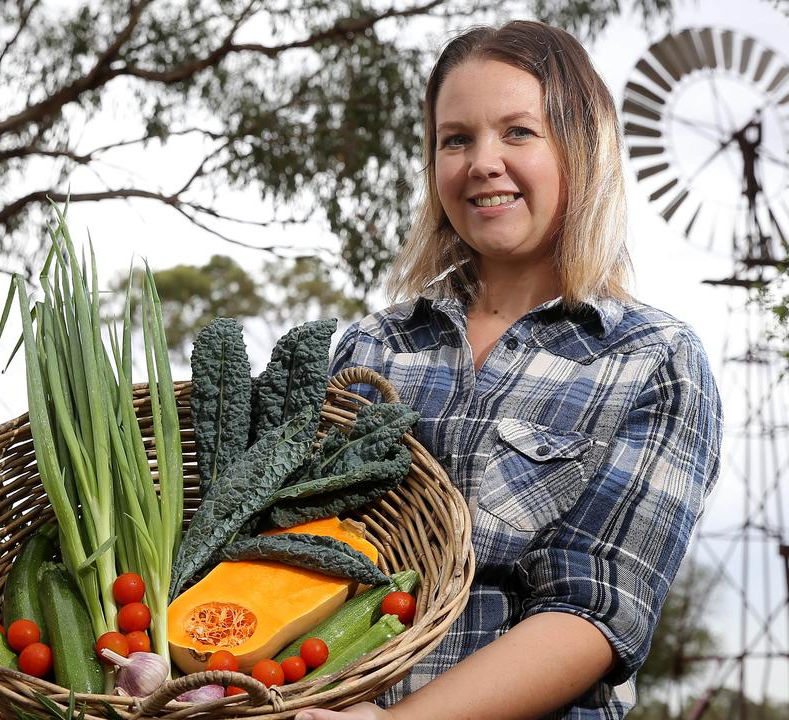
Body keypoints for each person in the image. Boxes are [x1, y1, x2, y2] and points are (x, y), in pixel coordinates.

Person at [297, 20, 722, 720]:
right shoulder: (371, 349)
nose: (482, 162)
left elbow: (593, 613)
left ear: (579, 149)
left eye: (518, 132)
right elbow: (298, 552)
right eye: (455, 139)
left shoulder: (653, 361)